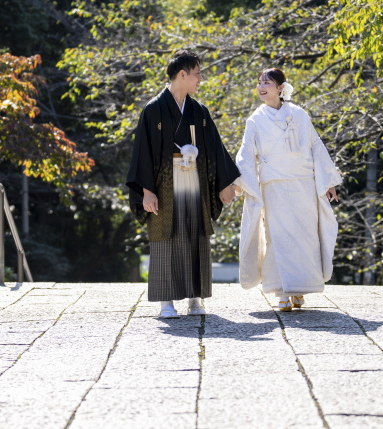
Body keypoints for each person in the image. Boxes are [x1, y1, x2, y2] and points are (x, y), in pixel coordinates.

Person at [126, 50, 239, 318]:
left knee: (195, 235)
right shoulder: (153, 110)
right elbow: (143, 151)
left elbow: (215, 149)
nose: (201, 78)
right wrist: (147, 190)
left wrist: (226, 182)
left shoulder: (199, 111)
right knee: (165, 236)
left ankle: (195, 298)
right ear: (182, 74)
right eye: (197, 73)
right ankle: (166, 301)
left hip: (194, 181)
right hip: (163, 183)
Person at [234, 68, 341, 311]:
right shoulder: (255, 120)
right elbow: (246, 153)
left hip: (302, 184)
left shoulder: (299, 115)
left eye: (268, 82)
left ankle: (300, 288)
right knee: (278, 237)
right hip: (274, 187)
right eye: (259, 82)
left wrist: (328, 181)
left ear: (281, 87)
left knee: (305, 236)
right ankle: (281, 290)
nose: (262, 86)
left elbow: (316, 146)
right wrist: (239, 183)